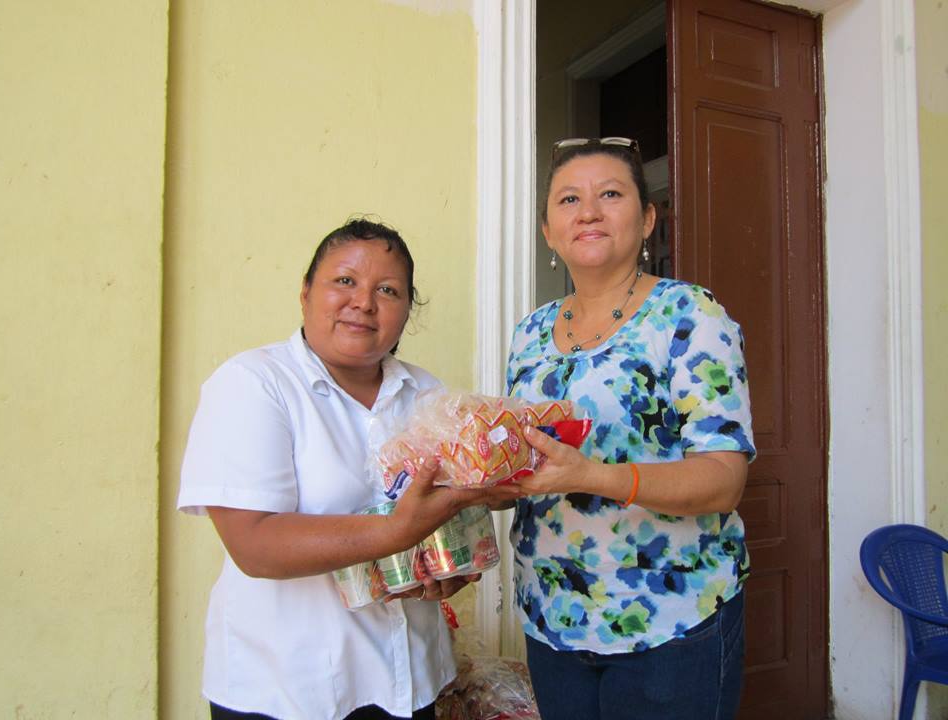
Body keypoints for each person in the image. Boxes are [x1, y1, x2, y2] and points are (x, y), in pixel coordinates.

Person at [178, 218, 520, 720]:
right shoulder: (253, 384)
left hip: (412, 682)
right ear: (305, 293)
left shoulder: (427, 394)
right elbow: (254, 546)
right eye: (344, 281)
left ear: (407, 311)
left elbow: (444, 519)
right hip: (288, 691)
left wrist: (450, 570)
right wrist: (396, 531)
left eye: (388, 290)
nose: (364, 302)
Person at [504, 138, 756, 720]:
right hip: (553, 613)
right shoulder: (530, 334)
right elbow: (532, 458)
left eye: (610, 194)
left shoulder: (689, 315)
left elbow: (723, 480)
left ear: (646, 220)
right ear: (548, 230)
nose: (587, 212)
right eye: (568, 199)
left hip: (669, 620)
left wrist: (591, 474)